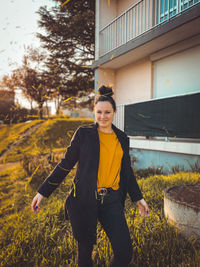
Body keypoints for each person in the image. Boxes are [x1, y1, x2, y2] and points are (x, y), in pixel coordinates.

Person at [31, 85, 149, 267]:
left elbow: (126, 171)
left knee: (124, 252)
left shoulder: (122, 138)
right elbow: (65, 164)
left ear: (115, 112)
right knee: (85, 257)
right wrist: (42, 192)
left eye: (107, 112)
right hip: (84, 200)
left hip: (112, 201)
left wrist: (138, 198)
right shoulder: (83, 135)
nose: (103, 116)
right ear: (94, 112)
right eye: (99, 112)